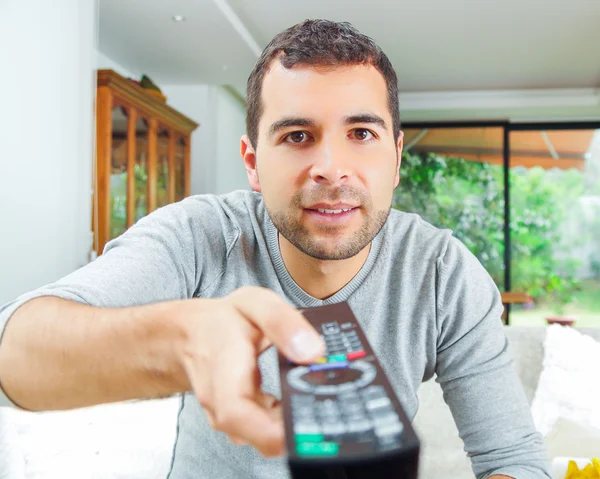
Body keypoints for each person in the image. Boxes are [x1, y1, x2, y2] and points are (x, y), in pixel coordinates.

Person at [0, 19, 550, 479]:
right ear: (251, 160)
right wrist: (179, 344)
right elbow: (15, 351)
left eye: (361, 133)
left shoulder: (442, 273)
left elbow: (515, 459)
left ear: (398, 156)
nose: (331, 168)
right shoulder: (200, 235)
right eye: (296, 135)